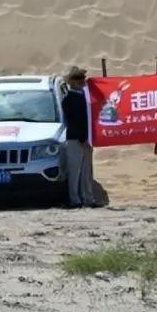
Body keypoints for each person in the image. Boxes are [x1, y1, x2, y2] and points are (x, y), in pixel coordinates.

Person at [61, 66, 96, 208]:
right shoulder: (69, 99)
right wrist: (82, 138)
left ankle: (88, 198)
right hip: (75, 139)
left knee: (87, 171)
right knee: (75, 172)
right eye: (78, 78)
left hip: (86, 138)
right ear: (72, 82)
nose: (82, 81)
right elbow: (74, 121)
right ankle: (74, 199)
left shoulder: (85, 97)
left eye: (82, 78)